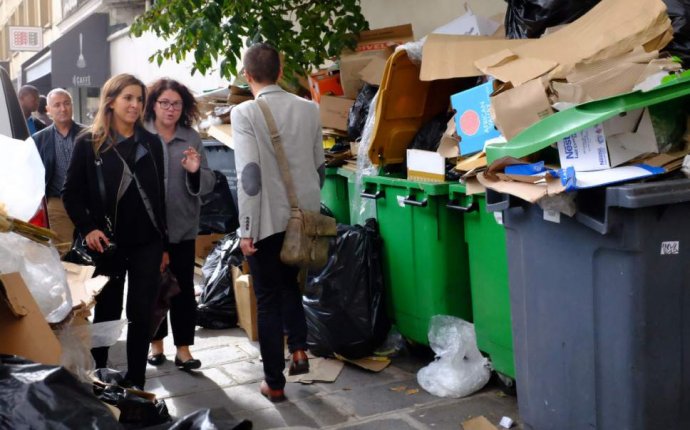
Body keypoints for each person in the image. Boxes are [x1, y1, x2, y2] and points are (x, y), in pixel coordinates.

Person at [231, 43, 325, 402]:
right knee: (291, 286)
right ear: (281, 69)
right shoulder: (309, 108)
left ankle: (274, 382)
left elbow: (249, 177)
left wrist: (247, 229)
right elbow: (320, 167)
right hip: (304, 221)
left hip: (266, 221)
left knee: (268, 299)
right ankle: (299, 348)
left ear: (247, 75)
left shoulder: (246, 113)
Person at [62, 73, 168, 389]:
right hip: (106, 244)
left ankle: (136, 379)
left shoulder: (151, 143)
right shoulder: (88, 143)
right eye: (128, 98)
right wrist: (88, 228)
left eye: (139, 99)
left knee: (141, 312)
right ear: (111, 101)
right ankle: (100, 374)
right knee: (107, 313)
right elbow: (71, 193)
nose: (135, 105)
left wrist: (164, 245)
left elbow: (159, 198)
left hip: (146, 242)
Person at [143, 78, 215, 371]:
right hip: (147, 229)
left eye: (176, 104)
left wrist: (195, 172)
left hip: (183, 226)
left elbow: (209, 183)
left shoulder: (191, 138)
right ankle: (155, 343)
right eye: (164, 103)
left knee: (184, 288)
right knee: (152, 288)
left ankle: (183, 349)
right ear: (153, 104)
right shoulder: (141, 135)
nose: (171, 109)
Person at [32, 88, 84, 255]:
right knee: (64, 252)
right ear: (48, 110)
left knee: (92, 250)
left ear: (72, 106)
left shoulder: (89, 134)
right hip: (57, 204)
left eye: (67, 103)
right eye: (57, 105)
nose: (63, 108)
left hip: (87, 202)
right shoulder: (39, 139)